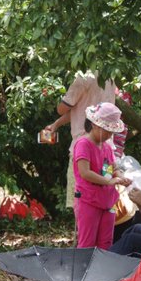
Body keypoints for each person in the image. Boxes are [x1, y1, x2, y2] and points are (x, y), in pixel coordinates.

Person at [44, 70, 116, 209]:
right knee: (106, 196)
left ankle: (85, 230)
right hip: (107, 147)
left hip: (83, 147)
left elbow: (62, 109)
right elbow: (81, 110)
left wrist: (55, 94)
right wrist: (56, 124)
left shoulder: (83, 78)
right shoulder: (110, 75)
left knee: (81, 201)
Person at [73, 102, 131, 249]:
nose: (110, 135)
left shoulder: (107, 147)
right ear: (95, 125)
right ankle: (84, 270)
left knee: (106, 242)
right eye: (107, 130)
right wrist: (109, 181)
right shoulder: (83, 144)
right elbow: (85, 172)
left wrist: (120, 176)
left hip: (107, 202)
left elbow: (112, 168)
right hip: (89, 200)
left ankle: (102, 270)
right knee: (87, 242)